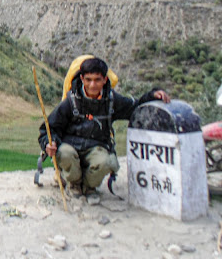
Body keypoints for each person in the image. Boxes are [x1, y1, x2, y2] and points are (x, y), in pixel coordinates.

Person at [38, 57, 170, 204]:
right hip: (71, 145)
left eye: (97, 80)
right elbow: (49, 129)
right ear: (81, 78)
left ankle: (89, 187)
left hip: (96, 146)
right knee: (64, 153)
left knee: (107, 162)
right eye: (88, 79)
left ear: (105, 79)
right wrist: (49, 144)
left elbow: (134, 107)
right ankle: (74, 184)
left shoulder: (112, 100)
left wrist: (152, 95)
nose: (92, 85)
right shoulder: (70, 101)